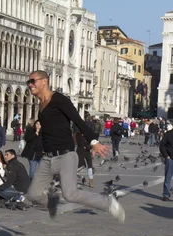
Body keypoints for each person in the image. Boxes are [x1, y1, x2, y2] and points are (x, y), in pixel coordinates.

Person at [25, 70, 124, 223]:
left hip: (65, 156)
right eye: (29, 82)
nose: (30, 84)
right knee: (33, 195)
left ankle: (108, 203)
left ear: (44, 81)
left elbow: (78, 120)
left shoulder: (59, 100)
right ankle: (52, 202)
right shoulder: (41, 105)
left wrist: (93, 142)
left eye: (32, 81)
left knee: (70, 194)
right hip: (47, 158)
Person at [160, 122, 173, 201]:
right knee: (168, 177)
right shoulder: (168, 134)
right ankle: (166, 194)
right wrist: (166, 156)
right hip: (170, 159)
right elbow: (162, 145)